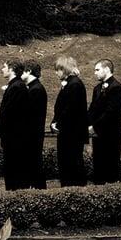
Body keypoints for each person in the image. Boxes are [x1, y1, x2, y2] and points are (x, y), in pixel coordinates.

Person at [0, 59, 30, 191]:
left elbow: (9, 112)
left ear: (12, 69)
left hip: (14, 138)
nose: (2, 69)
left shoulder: (16, 87)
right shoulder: (16, 86)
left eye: (5, 66)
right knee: (12, 172)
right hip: (14, 137)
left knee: (14, 172)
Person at [51, 56, 88, 187]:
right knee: (67, 164)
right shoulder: (72, 83)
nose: (56, 73)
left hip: (72, 134)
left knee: (71, 164)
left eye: (58, 70)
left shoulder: (74, 84)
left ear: (65, 69)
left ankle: (73, 191)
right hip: (69, 132)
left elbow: (70, 110)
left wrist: (57, 124)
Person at [88, 59, 121, 184]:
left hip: (110, 135)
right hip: (97, 134)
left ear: (107, 69)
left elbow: (111, 113)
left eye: (97, 70)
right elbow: (92, 109)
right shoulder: (97, 88)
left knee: (111, 166)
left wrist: (95, 127)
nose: (95, 73)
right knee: (98, 165)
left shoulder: (117, 88)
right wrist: (88, 124)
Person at [21, 59, 47, 189]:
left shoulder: (35, 90)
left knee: (34, 164)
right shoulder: (34, 88)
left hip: (32, 135)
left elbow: (30, 115)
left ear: (29, 71)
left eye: (22, 72)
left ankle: (38, 190)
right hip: (33, 134)